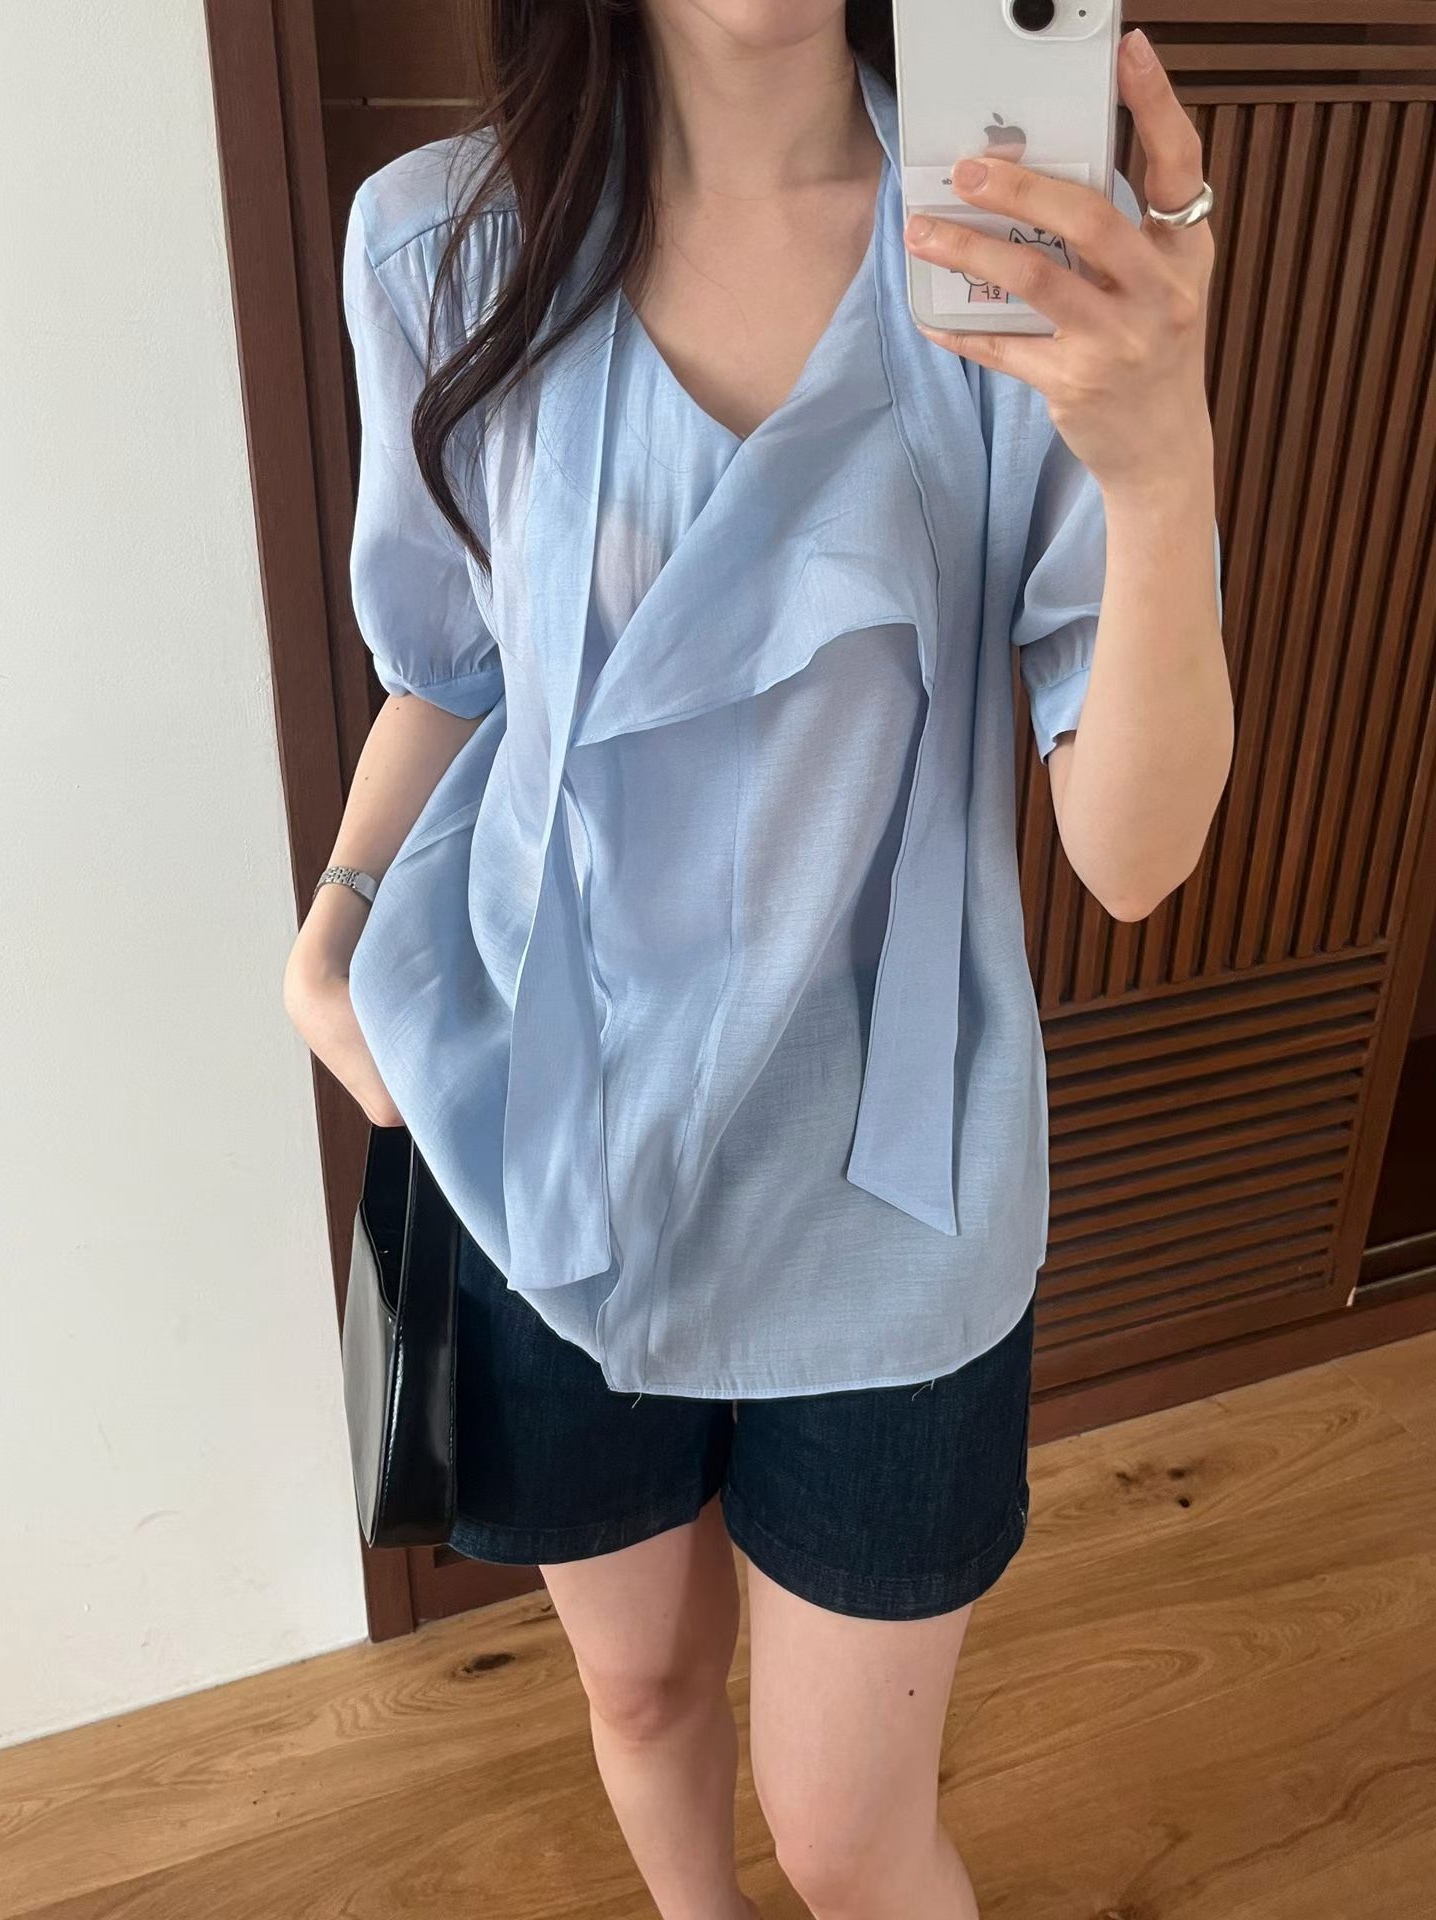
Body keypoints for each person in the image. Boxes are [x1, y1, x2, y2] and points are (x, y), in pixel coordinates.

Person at [286, 4, 1231, 1914]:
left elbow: (1134, 862)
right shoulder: (439, 245)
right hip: (550, 1144)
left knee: (850, 1836)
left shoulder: (1014, 244)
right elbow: (453, 672)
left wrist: (1157, 471)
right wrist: (338, 922)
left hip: (892, 1202)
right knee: (638, 1692)